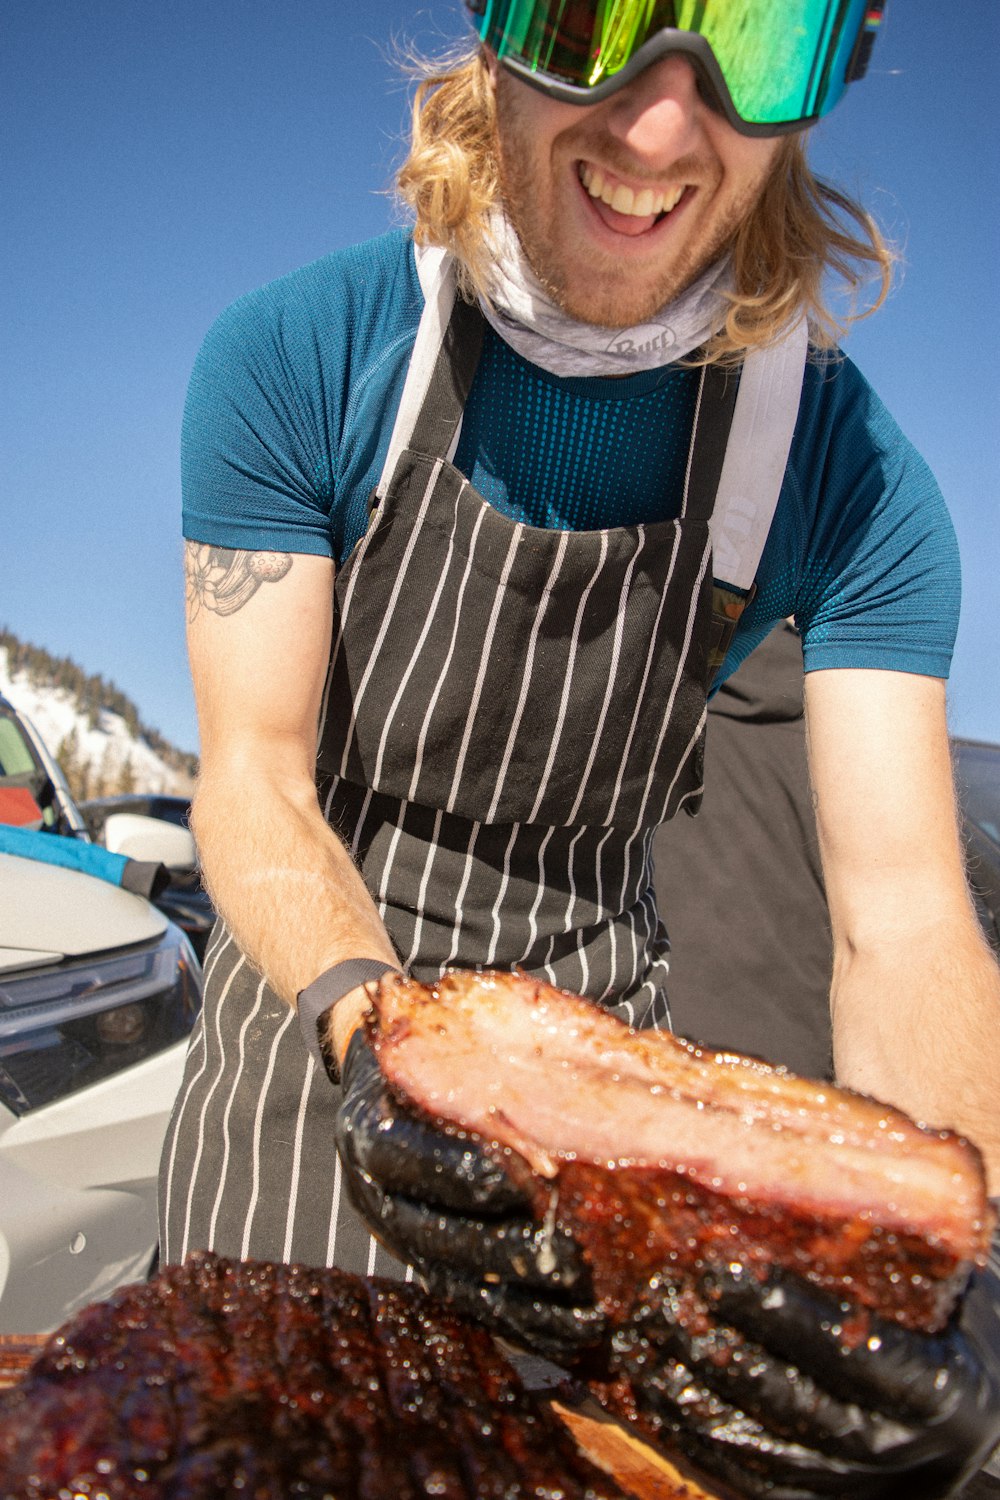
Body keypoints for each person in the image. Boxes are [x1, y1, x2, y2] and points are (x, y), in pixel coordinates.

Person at [159, 3, 1000, 1494]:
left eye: (757, 44)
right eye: (592, 16)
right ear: (493, 43)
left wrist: (960, 1264)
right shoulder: (300, 356)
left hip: (605, 1137)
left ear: (831, 80)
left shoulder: (853, 482)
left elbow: (909, 928)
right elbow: (257, 781)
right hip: (308, 1055)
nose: (659, 123)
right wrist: (379, 1039)